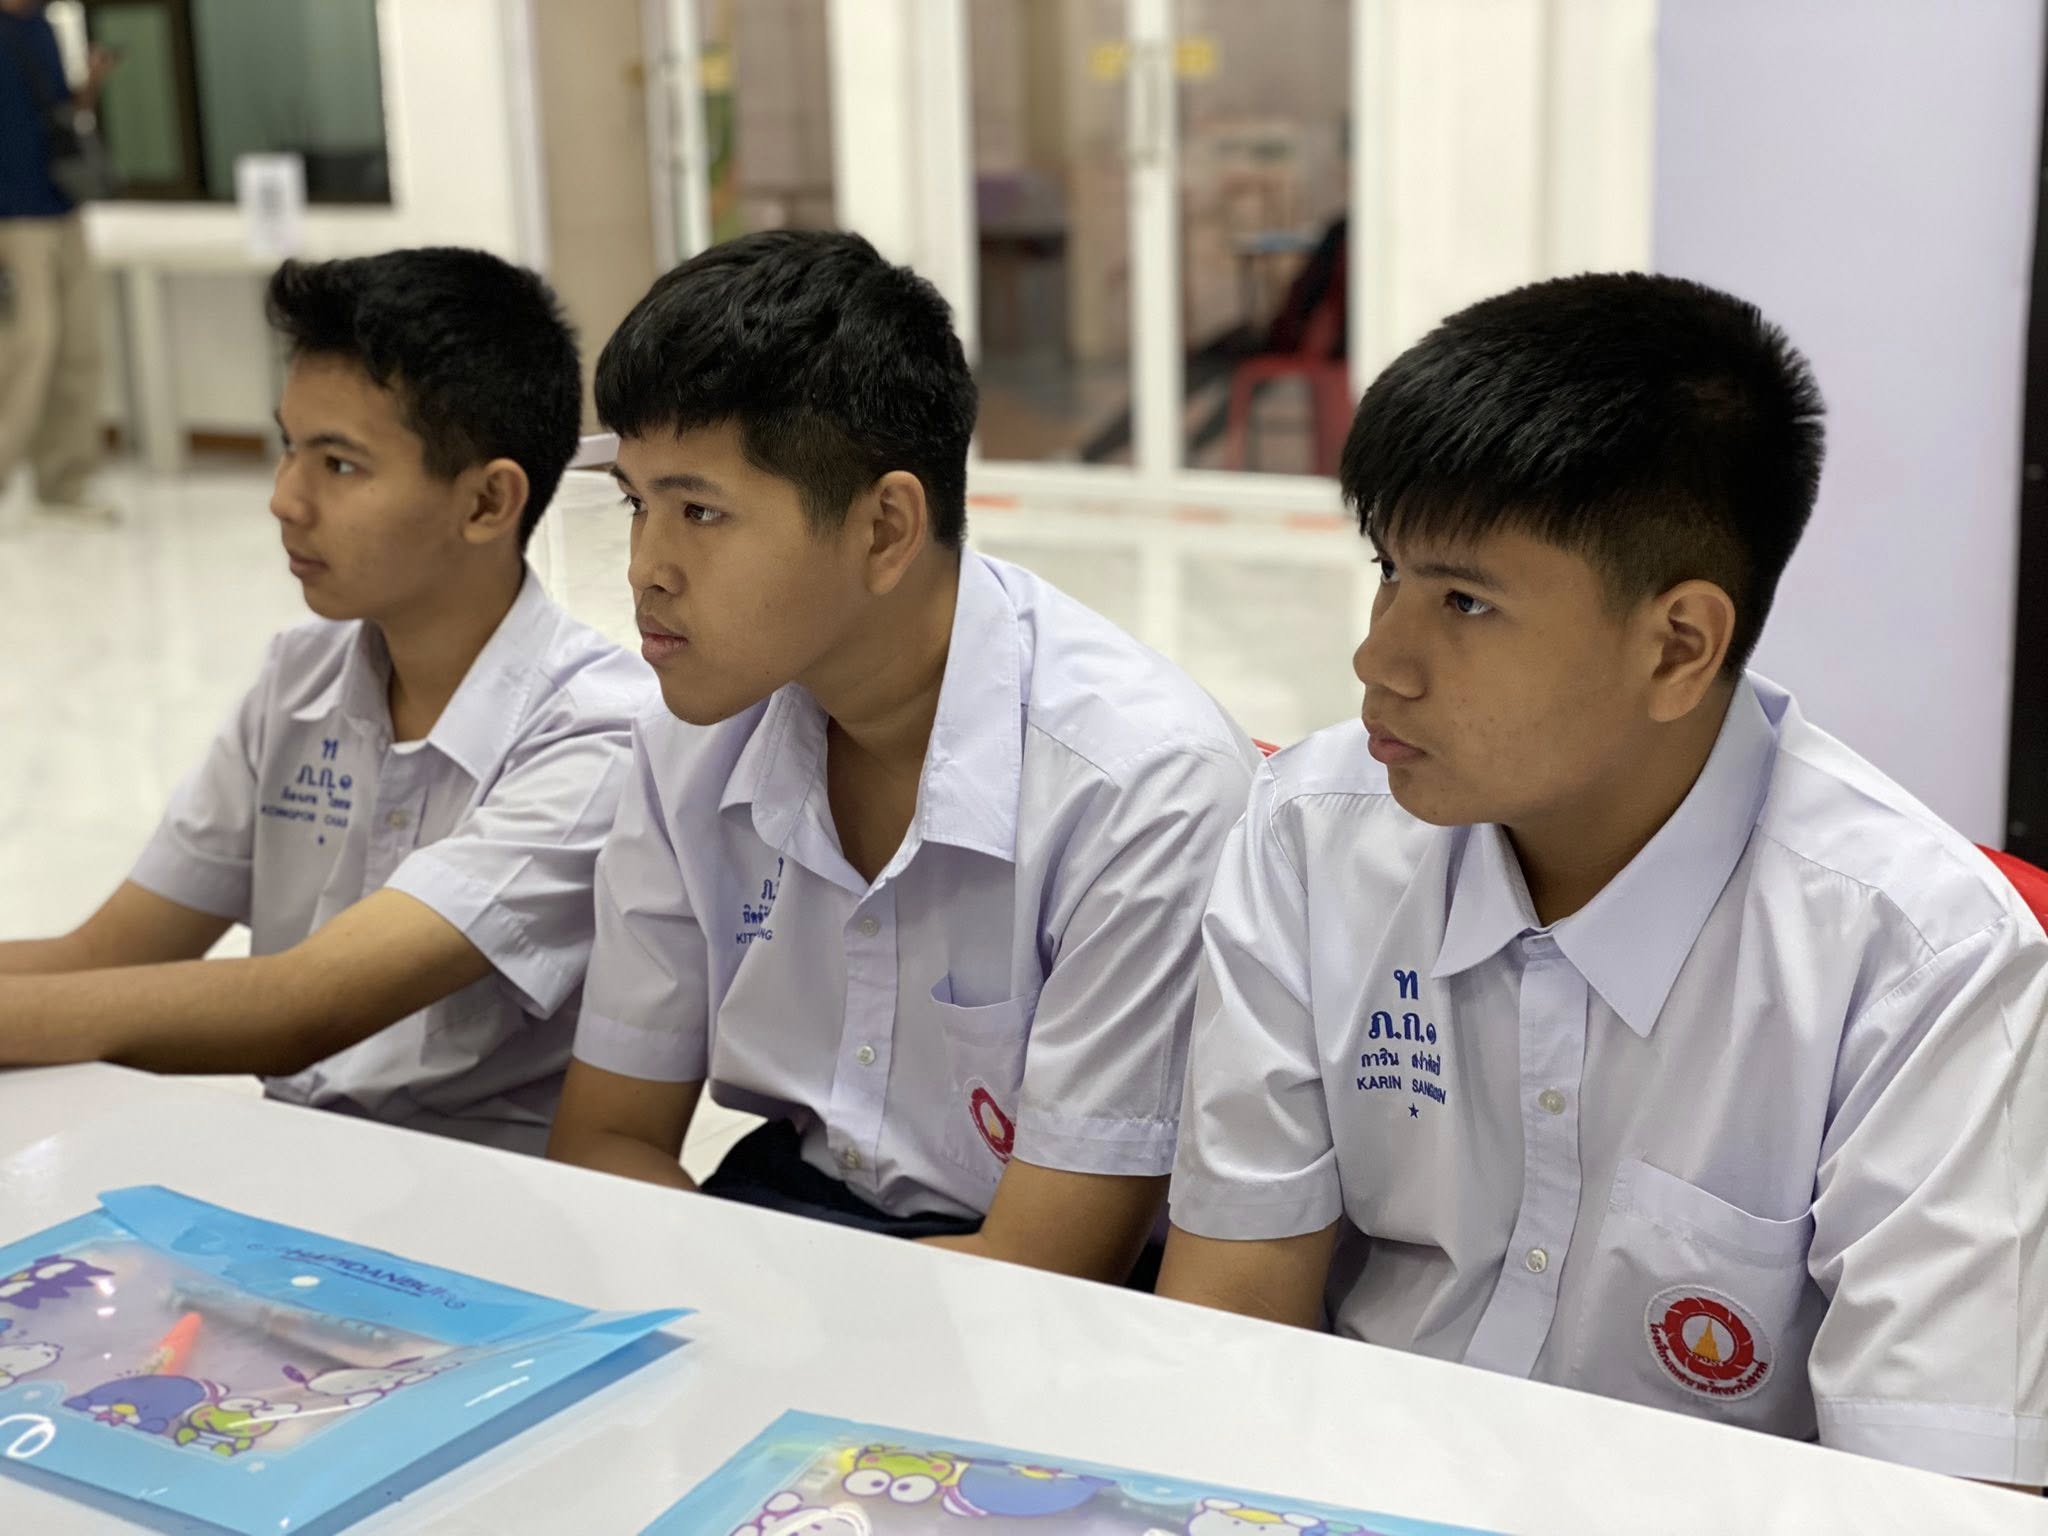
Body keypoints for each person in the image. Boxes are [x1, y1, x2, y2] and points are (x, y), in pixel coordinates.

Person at [1157, 272, 2047, 1487]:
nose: (1379, 659)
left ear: (1676, 646)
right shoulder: (1310, 837)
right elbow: (1232, 1318)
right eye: (1388, 572)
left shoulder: (1925, 970)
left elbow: (1934, 1495)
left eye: (1465, 601)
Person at [546, 230, 1258, 1284]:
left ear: (884, 528)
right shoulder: (689, 737)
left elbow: (1050, 1266)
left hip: (1041, 1295)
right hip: (784, 1218)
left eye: (699, 511)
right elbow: (605, 1142)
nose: (646, 568)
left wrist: (766, 1323)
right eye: (636, 505)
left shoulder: (1140, 792)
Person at [0, 247, 654, 1154]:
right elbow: (104, 954)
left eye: (340, 465)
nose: (285, 500)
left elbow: (302, 1007)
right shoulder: (301, 678)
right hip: (294, 1161)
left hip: (480, 1197)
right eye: (287, 448)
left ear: (486, 503)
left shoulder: (595, 732)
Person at [0, 0, 117, 522]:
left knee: (79, 348)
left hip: (63, 206)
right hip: (12, 218)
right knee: (29, 347)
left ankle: (64, 482)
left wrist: (91, 82)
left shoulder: (44, 28)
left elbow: (64, 113)